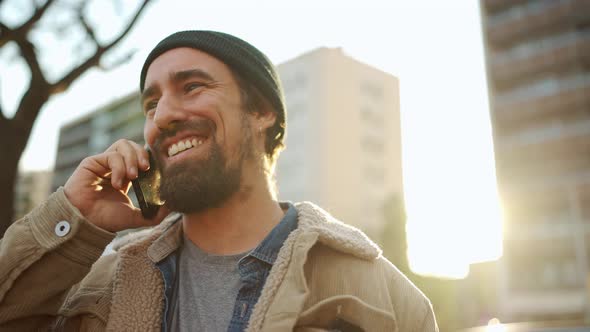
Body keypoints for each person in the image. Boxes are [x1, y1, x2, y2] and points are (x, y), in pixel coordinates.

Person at [0, 31, 438, 332]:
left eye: (192, 87)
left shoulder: (386, 300)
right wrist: (75, 220)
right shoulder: (97, 284)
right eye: (151, 104)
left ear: (263, 112)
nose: (162, 117)